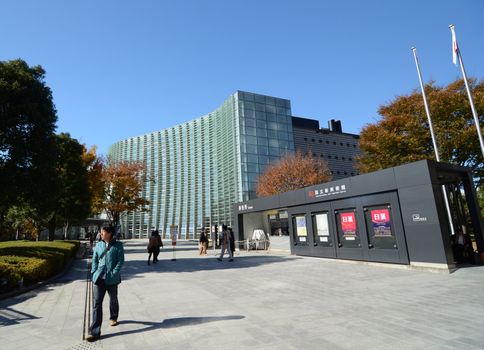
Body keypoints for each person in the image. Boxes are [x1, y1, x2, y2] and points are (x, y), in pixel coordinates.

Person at [87, 226, 125, 342]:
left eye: (103, 232)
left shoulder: (118, 245)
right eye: (101, 232)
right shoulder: (98, 245)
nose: (101, 234)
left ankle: (113, 317)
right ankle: (95, 332)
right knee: (96, 304)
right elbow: (94, 260)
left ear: (109, 233)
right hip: (99, 279)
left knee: (113, 299)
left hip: (112, 279)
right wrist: (94, 272)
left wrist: (113, 273)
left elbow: (120, 260)